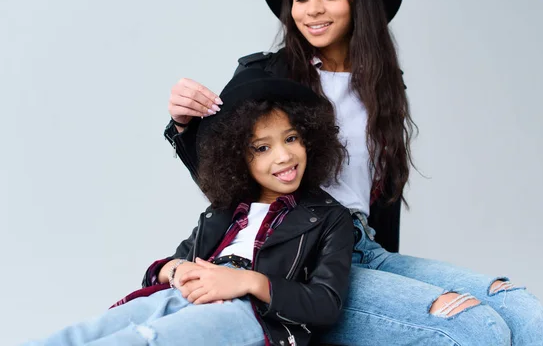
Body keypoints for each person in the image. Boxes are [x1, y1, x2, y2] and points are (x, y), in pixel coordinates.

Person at [164, 0, 543, 345]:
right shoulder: (265, 76)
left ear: (357, 0)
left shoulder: (382, 85)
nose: (313, 9)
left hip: (365, 248)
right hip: (306, 256)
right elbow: (228, 178)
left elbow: (380, 198)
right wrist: (184, 125)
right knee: (475, 328)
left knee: (524, 312)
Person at [24, 68, 354, 346]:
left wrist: (248, 282)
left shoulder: (328, 218)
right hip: (186, 295)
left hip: (250, 312)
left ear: (310, 139)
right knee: (83, 334)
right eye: (262, 148)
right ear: (238, 157)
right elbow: (163, 269)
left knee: (146, 339)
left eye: (292, 138)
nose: (283, 156)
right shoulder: (223, 212)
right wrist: (176, 270)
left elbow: (326, 304)